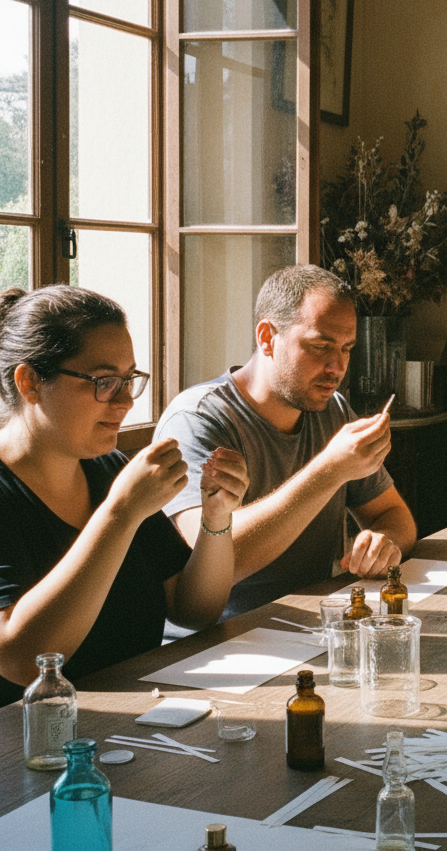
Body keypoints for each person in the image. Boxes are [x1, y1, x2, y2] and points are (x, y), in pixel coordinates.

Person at [0, 286, 244, 707]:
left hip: (139, 726)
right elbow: (22, 660)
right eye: (104, 382)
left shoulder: (109, 469)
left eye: (129, 379)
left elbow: (192, 609)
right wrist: (119, 513)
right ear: (30, 382)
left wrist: (216, 518)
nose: (127, 401)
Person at [155, 265, 417, 619]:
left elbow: (396, 517)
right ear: (266, 338)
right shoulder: (198, 419)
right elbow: (221, 557)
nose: (337, 366)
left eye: (346, 349)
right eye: (319, 346)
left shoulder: (332, 409)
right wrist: (330, 470)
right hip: (213, 647)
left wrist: (385, 542)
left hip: (310, 626)